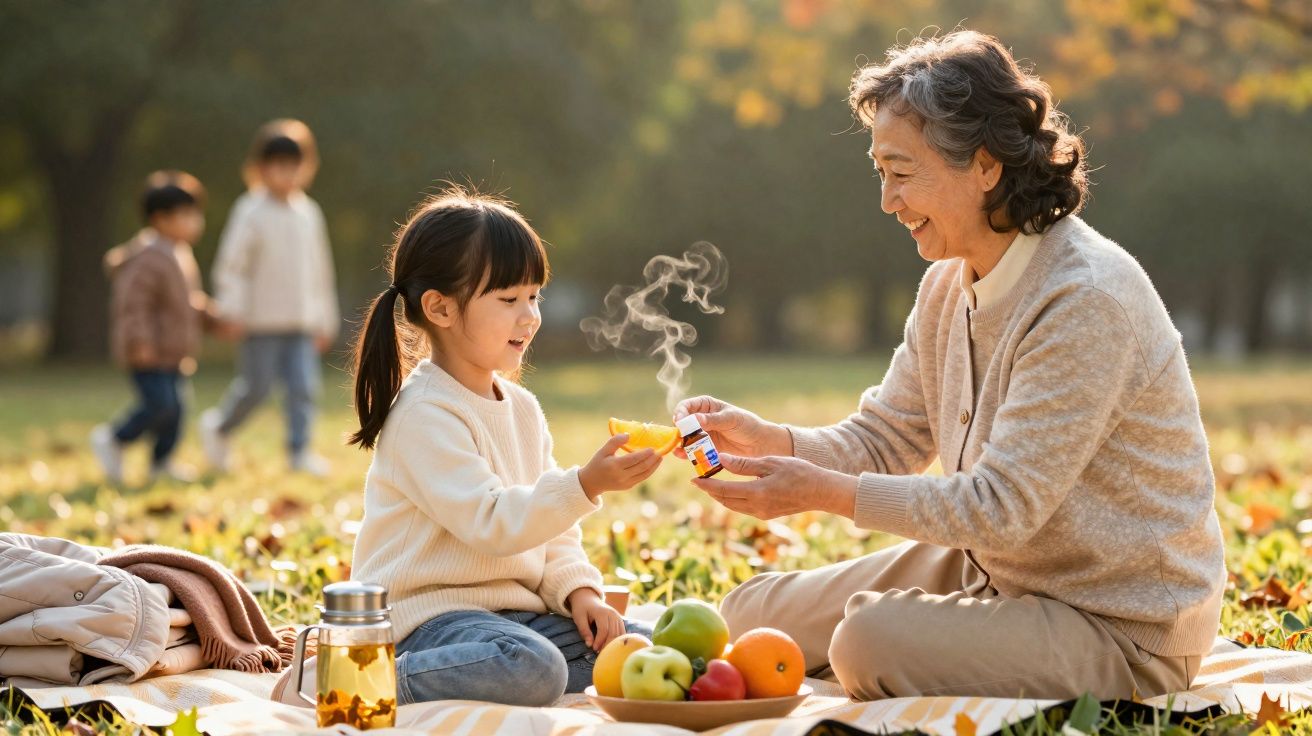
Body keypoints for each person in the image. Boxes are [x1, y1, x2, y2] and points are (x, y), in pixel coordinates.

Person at [677, 30, 1225, 702]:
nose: (887, 201)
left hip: (1120, 624)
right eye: (881, 173)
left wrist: (820, 491)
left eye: (902, 174)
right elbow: (887, 439)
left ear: (986, 165)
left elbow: (1001, 508)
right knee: (749, 616)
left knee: (866, 643)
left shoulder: (1085, 298)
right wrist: (775, 443)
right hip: (997, 572)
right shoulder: (947, 284)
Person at [347, 187, 662, 706]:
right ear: (440, 308)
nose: (530, 316)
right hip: (428, 623)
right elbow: (493, 522)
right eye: (509, 300)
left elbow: (551, 529)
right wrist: (584, 485)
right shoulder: (424, 415)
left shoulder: (521, 408)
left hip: (513, 621)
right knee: (533, 668)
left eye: (534, 296)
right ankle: (351, 679)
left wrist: (580, 592)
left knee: (643, 649)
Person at [200, 122, 339, 475]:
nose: (287, 174)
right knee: (256, 389)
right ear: (261, 168)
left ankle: (299, 451)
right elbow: (232, 266)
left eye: (295, 165)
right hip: (259, 322)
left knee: (303, 389)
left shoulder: (309, 213)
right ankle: (219, 428)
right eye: (278, 165)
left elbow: (320, 270)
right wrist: (231, 309)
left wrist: (325, 318)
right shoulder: (250, 211)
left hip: (301, 323)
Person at [92, 171, 224, 484]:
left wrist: (210, 317)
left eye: (196, 215)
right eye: (186, 216)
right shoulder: (149, 258)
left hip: (173, 352)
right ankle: (114, 438)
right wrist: (139, 342)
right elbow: (133, 305)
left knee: (176, 410)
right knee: (160, 405)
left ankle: (161, 462)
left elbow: (182, 303)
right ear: (160, 219)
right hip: (148, 352)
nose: (195, 222)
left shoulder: (179, 254)